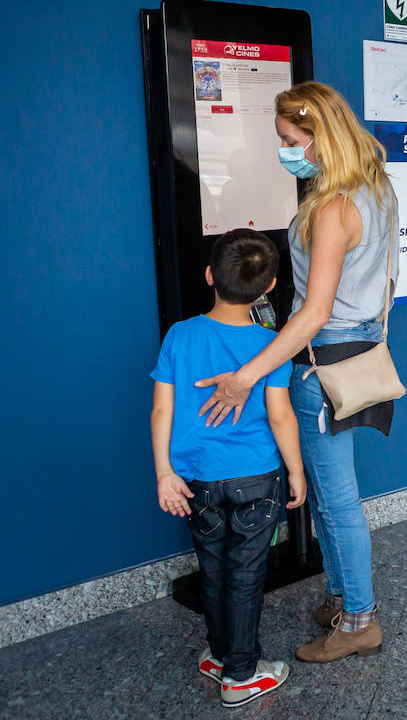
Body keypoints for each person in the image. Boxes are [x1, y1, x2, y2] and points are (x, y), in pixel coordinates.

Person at [194, 81, 398, 663]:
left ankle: (360, 618)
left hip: (320, 367)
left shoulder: (333, 209)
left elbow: (312, 314)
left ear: (319, 136)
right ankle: (343, 598)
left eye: (290, 140)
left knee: (336, 501)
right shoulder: (376, 188)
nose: (285, 150)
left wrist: (246, 374)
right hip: (357, 355)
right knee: (335, 497)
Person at [150, 229, 306, 709]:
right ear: (269, 287)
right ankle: (240, 675)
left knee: (214, 570)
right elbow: (280, 414)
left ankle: (220, 655)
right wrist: (296, 472)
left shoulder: (180, 335)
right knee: (245, 575)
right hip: (257, 479)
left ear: (208, 276)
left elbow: (161, 411)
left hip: (196, 481)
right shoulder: (271, 344)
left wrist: (164, 473)